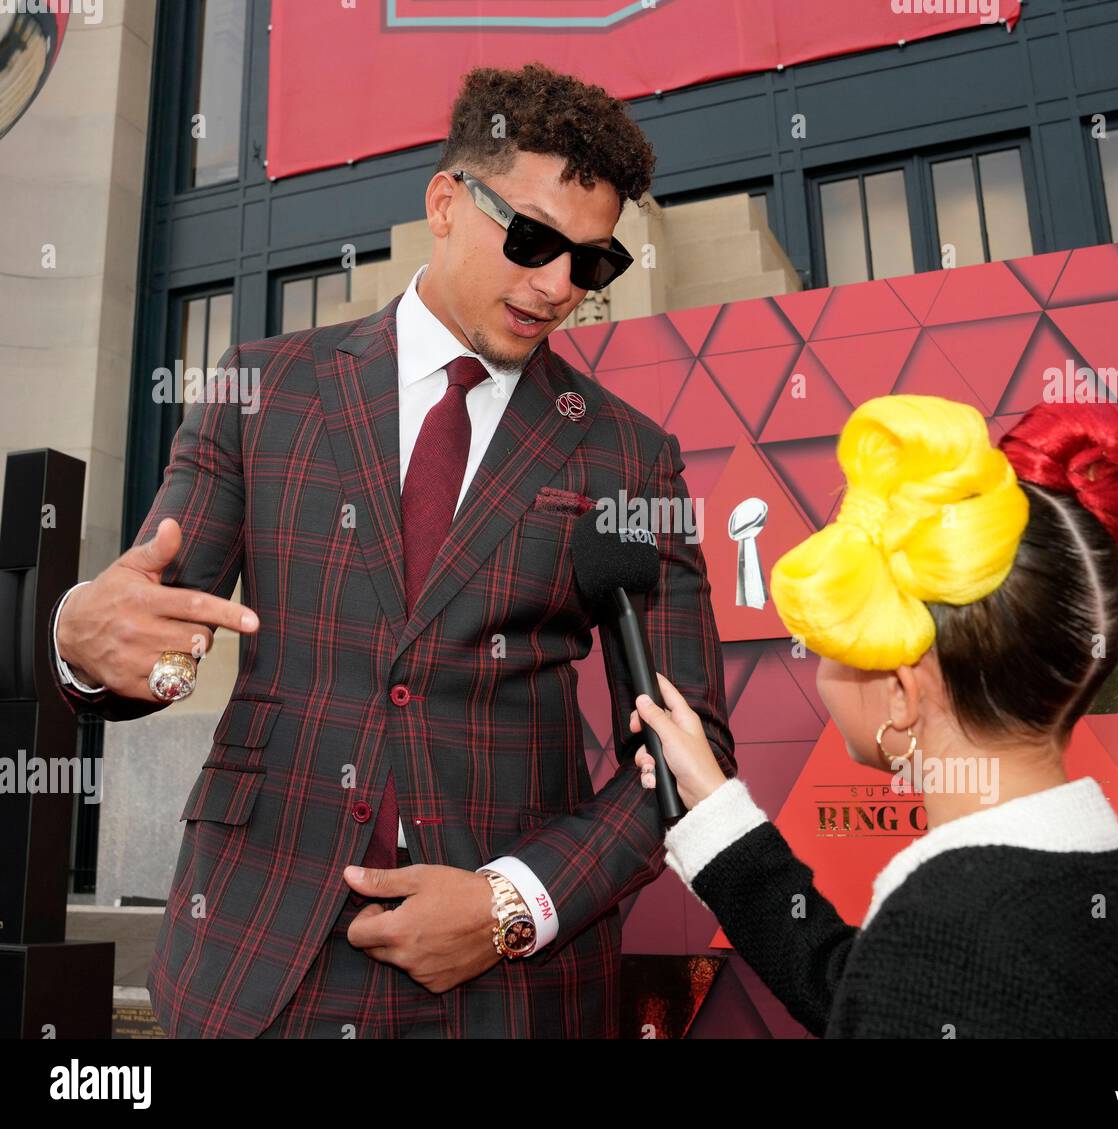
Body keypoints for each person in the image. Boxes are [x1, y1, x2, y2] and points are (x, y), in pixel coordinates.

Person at [49, 63, 735, 1038]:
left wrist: (512, 903)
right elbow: (149, 648)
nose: (556, 287)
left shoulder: (629, 454)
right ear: (446, 203)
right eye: (533, 240)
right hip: (255, 956)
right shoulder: (262, 388)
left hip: (505, 988)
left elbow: (687, 749)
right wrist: (83, 640)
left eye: (592, 264)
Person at [629, 395, 1118, 1038]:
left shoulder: (944, 930)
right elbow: (860, 991)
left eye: (836, 646)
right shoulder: (1093, 883)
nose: (820, 673)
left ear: (900, 692)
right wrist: (714, 808)